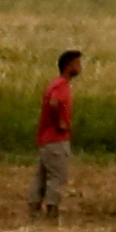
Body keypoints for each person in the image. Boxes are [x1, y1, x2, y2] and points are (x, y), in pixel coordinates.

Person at [33, 50, 80, 215]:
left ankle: (34, 208)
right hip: (56, 140)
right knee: (57, 177)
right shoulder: (61, 86)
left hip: (46, 139)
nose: (80, 67)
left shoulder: (54, 83)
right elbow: (54, 102)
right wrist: (60, 122)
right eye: (77, 64)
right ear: (68, 66)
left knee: (41, 176)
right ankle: (52, 210)